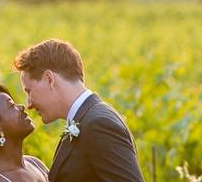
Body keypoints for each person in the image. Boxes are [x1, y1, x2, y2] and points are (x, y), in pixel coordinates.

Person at [13, 39, 145, 182]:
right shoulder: (86, 119)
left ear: (49, 79)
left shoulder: (98, 124)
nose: (29, 104)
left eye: (29, 91)